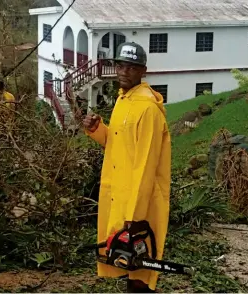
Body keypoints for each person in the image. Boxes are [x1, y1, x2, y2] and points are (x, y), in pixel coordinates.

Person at [83, 42, 171, 293]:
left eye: (131, 67)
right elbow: (118, 143)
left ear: (143, 70)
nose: (124, 71)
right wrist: (96, 130)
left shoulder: (147, 109)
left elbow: (146, 163)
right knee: (125, 259)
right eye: (120, 65)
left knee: (141, 267)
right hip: (121, 196)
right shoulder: (124, 99)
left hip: (140, 202)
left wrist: (136, 215)